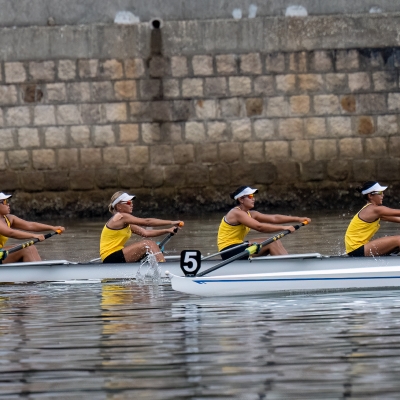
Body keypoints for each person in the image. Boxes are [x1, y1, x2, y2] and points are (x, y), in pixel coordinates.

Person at [217, 186, 311, 260]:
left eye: (253, 196)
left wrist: (299, 219)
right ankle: (288, 266)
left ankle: (286, 262)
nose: (253, 199)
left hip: (239, 247)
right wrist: (283, 228)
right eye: (250, 196)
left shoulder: (251, 214)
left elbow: (274, 218)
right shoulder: (236, 213)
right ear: (241, 199)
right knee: (271, 243)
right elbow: (259, 227)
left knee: (275, 241)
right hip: (228, 251)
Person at [100, 191, 183, 263]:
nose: (131, 204)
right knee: (148, 244)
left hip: (115, 255)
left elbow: (145, 233)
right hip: (110, 257)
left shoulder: (125, 222)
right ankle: (163, 267)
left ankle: (158, 264)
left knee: (152, 246)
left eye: (132, 202)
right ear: (119, 206)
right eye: (128, 202)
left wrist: (167, 230)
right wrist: (172, 222)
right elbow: (147, 222)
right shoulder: (121, 216)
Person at [0, 192, 65, 263]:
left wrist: (52, 228)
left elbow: (30, 225)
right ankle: (37, 271)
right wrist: (34, 235)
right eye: (5, 202)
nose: (8, 204)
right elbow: (10, 233)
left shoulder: (9, 218)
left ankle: (36, 269)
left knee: (31, 247)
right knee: (27, 248)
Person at [345, 181, 400, 257]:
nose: (383, 195)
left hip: (356, 249)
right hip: (356, 249)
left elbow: (397, 219)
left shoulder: (373, 212)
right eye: (380, 192)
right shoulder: (374, 210)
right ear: (370, 196)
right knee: (398, 240)